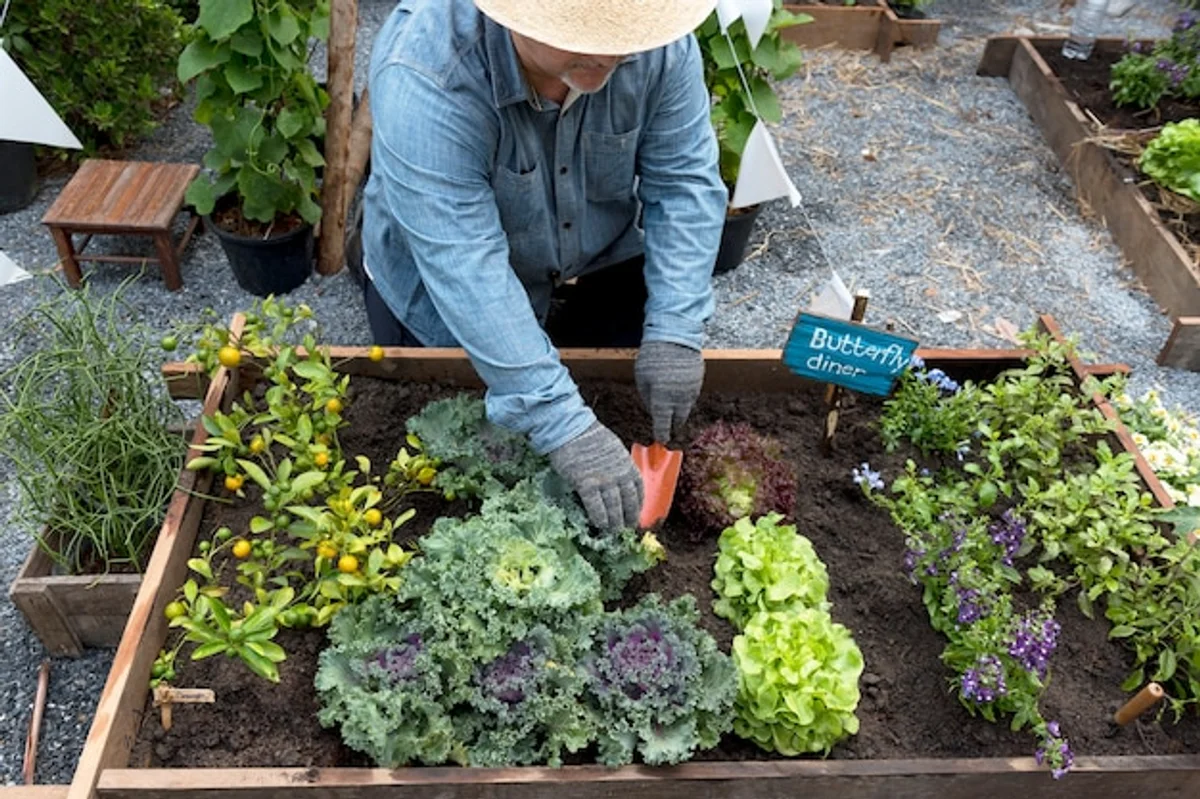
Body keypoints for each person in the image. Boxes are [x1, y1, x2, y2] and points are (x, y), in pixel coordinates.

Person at [361, 0, 727, 531]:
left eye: (620, 29)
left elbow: (684, 181)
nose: (607, 52)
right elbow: (466, 265)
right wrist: (564, 427)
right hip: (446, 293)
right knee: (458, 435)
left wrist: (676, 328)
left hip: (597, 259)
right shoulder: (426, 75)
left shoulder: (655, 47)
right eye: (578, 31)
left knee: (629, 377)